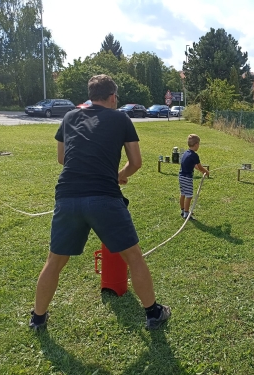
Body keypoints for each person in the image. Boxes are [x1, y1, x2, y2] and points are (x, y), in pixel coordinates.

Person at [30, 74, 170, 331]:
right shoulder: (121, 118)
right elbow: (136, 162)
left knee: (54, 261)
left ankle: (37, 318)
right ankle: (153, 312)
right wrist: (120, 176)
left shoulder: (70, 116)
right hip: (104, 196)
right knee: (134, 257)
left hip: (67, 196)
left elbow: (62, 159)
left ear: (91, 95)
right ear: (113, 96)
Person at [179, 134, 208, 220]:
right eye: (199, 144)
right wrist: (206, 171)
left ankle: (183, 210)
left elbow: (194, 166)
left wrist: (201, 171)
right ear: (196, 144)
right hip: (187, 178)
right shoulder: (195, 155)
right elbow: (200, 166)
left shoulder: (186, 153)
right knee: (189, 196)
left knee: (183, 194)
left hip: (181, 176)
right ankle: (186, 214)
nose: (199, 146)